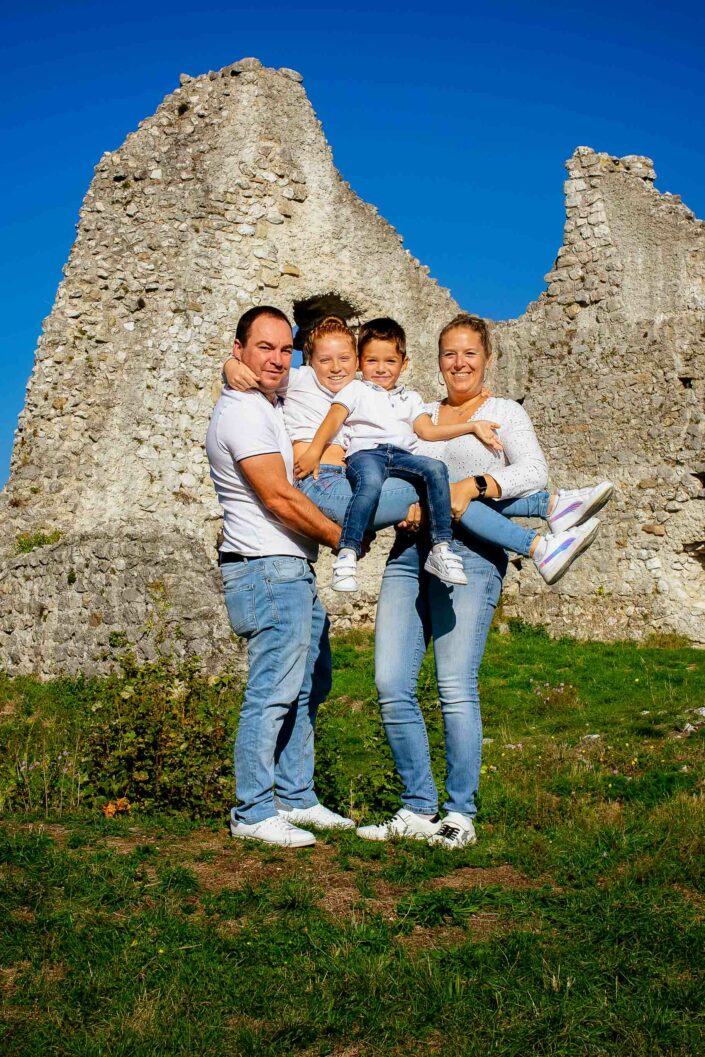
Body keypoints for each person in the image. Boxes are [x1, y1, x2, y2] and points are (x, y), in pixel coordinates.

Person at [356, 313, 611, 849]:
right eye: (449, 353)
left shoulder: (504, 412)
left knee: (453, 685)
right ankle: (417, 807)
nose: (459, 363)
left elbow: (532, 471)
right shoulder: (423, 415)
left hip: (473, 556)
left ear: (487, 358)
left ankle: (459, 813)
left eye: (469, 353)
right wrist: (407, 507)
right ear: (437, 360)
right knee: (389, 683)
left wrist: (475, 484)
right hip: (408, 553)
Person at [224, 316, 611, 592]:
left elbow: (417, 436)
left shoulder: (368, 394)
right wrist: (232, 365)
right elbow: (267, 370)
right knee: (440, 485)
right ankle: (543, 526)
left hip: (349, 482)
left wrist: (471, 425)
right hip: (322, 484)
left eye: (346, 359)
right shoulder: (304, 378)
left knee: (443, 486)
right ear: (309, 361)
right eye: (325, 359)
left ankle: (547, 522)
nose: (336, 367)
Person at [205, 306, 355, 848]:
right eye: (262, 347)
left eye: (284, 348)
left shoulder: (270, 401)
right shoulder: (243, 413)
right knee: (272, 690)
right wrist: (346, 539)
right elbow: (278, 496)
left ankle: (296, 798)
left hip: (290, 569)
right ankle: (252, 810)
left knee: (308, 685)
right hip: (267, 571)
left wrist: (232, 366)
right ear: (241, 348)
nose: (276, 358)